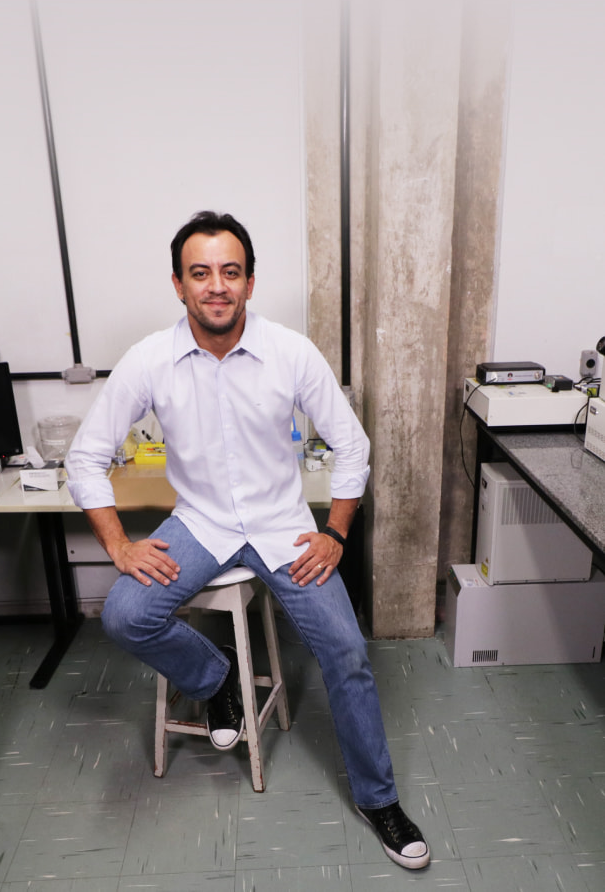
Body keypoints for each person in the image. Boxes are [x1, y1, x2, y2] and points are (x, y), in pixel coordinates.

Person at [65, 210, 430, 871]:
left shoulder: (291, 352)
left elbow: (351, 446)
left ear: (250, 281)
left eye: (230, 271)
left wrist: (336, 532)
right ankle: (218, 675)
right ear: (178, 284)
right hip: (200, 522)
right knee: (122, 613)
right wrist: (120, 545)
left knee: (346, 650)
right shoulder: (150, 359)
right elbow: (86, 456)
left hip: (283, 526)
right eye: (200, 272)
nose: (216, 285)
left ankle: (380, 800)